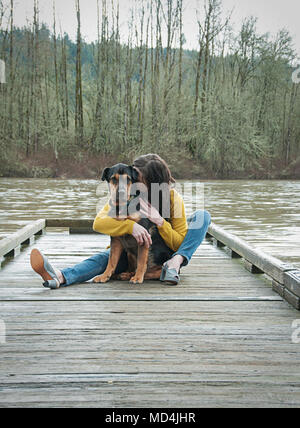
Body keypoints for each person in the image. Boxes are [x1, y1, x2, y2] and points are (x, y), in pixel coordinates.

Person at [30, 154, 211, 288]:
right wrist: (130, 226)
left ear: (154, 182)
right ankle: (60, 276)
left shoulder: (172, 198)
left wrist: (160, 222)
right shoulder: (123, 197)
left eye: (138, 179)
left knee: (203, 216)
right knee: (103, 259)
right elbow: (99, 223)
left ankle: (174, 264)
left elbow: (180, 242)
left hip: (163, 255)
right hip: (128, 252)